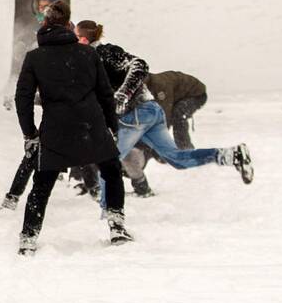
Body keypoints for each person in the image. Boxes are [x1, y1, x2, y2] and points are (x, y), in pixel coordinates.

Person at [74, 21, 254, 204]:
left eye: (74, 37)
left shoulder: (104, 52)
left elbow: (140, 65)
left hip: (138, 114)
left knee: (108, 162)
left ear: (83, 39)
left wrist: (123, 95)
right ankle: (232, 155)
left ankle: (112, 218)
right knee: (177, 159)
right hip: (150, 112)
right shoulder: (88, 61)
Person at [14, 1, 130, 255]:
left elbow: (22, 97)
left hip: (56, 129)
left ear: (45, 24)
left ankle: (28, 237)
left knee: (42, 185)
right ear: (69, 25)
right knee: (111, 171)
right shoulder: (88, 54)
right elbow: (105, 94)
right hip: (91, 124)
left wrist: (29, 133)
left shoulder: (35, 58)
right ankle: (117, 225)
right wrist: (111, 127)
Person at [1, 0, 61, 210]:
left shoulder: (66, 30)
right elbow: (22, 68)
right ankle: (13, 195)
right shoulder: (32, 32)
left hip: (66, 98)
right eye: (40, 5)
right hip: (48, 98)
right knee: (35, 150)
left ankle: (96, 190)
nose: (43, 10)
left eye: (48, 6)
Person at [123, 71, 209, 196]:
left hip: (197, 94)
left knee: (179, 114)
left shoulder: (160, 87)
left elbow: (164, 117)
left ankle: (185, 149)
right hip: (177, 96)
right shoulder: (140, 90)